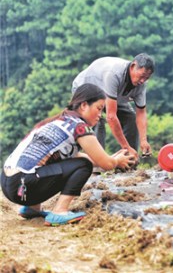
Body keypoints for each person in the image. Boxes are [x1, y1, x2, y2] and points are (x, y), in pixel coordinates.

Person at [1, 84, 135, 226]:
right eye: (99, 108)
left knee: (49, 162)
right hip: (23, 186)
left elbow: (77, 158)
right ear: (84, 105)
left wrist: (111, 158)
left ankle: (32, 208)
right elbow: (105, 165)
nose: (100, 115)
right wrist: (115, 161)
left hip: (7, 183)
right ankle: (60, 211)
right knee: (84, 166)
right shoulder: (79, 127)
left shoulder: (58, 121)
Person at [72, 53, 155, 160]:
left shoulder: (141, 84)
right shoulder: (113, 74)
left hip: (111, 95)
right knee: (97, 121)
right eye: (142, 76)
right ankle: (98, 162)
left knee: (130, 118)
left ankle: (130, 160)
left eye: (147, 78)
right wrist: (126, 146)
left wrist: (143, 140)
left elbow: (141, 113)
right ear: (133, 66)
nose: (143, 80)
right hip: (87, 89)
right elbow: (111, 117)